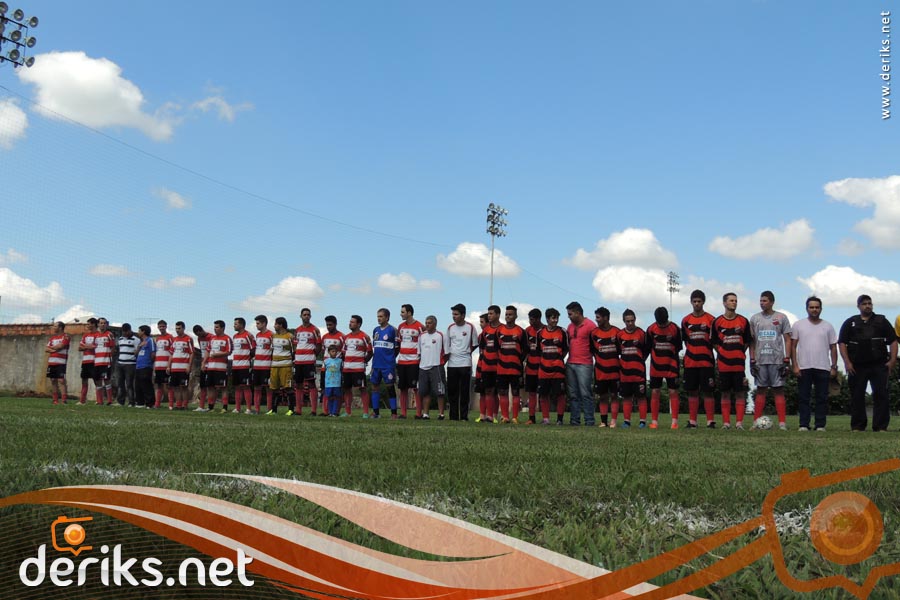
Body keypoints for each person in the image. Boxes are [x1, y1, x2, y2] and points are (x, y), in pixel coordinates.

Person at [839, 294, 898, 432]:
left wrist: (892, 361)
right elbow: (842, 342)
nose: (867, 306)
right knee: (857, 395)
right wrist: (847, 362)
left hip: (879, 365)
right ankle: (858, 426)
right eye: (864, 303)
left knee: (881, 395)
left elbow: (893, 341)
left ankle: (880, 426)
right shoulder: (850, 322)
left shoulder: (881, 321)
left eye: (869, 303)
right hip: (857, 366)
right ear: (858, 306)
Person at [791, 296, 838, 432]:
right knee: (803, 397)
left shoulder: (828, 326)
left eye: (817, 307)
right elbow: (793, 346)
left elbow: (833, 347)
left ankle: (820, 425)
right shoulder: (798, 325)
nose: (814, 309)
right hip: (804, 366)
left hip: (823, 366)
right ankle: (804, 424)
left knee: (821, 398)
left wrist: (833, 366)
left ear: (821, 309)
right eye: (811, 307)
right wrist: (795, 365)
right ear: (807, 309)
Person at [749, 291, 792, 430]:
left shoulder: (781, 317)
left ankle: (782, 423)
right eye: (761, 301)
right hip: (761, 360)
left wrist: (787, 359)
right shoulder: (755, 318)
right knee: (761, 390)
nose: (762, 303)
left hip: (777, 360)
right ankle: (756, 423)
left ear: (772, 302)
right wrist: (752, 359)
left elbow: (787, 339)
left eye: (765, 301)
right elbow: (752, 341)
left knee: (778, 390)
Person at [712, 293, 751, 429]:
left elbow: (747, 342)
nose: (734, 303)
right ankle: (726, 423)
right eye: (731, 300)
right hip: (723, 364)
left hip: (738, 364)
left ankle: (739, 423)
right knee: (725, 393)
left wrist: (739, 352)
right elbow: (715, 342)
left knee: (740, 392)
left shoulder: (743, 321)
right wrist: (723, 353)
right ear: (724, 303)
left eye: (735, 301)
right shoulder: (717, 322)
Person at [680, 290, 716, 429]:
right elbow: (685, 341)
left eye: (699, 301)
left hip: (706, 361)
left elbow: (714, 340)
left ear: (703, 302)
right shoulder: (685, 320)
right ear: (691, 302)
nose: (696, 304)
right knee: (692, 391)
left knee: (708, 391)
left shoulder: (711, 320)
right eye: (694, 301)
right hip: (690, 362)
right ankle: (693, 421)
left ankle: (710, 421)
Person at [646, 307, 682, 429]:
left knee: (673, 391)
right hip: (655, 366)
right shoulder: (651, 329)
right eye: (659, 323)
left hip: (671, 365)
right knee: (655, 391)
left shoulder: (675, 328)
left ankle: (675, 422)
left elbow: (678, 347)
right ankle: (654, 422)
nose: (661, 325)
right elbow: (648, 347)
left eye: (663, 322)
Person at [566, 301, 597, 426]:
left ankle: (589, 420)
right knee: (573, 394)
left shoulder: (590, 326)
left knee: (586, 393)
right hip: (571, 363)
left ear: (578, 313)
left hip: (585, 364)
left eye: (570, 314)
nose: (569, 316)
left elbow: (595, 345)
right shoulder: (569, 327)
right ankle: (575, 420)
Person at [616, 309, 648, 428]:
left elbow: (646, 351)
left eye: (632, 320)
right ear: (624, 321)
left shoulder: (641, 333)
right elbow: (619, 351)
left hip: (638, 371)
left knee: (641, 396)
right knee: (626, 397)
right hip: (625, 371)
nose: (630, 323)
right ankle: (627, 421)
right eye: (627, 321)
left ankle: (643, 421)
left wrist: (640, 361)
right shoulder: (620, 335)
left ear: (635, 319)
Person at [446, 303, 477, 421]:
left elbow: (474, 344)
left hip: (465, 363)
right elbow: (447, 345)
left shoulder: (470, 327)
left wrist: (465, 352)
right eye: (453, 314)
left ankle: (464, 416)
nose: (454, 316)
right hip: (452, 364)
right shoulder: (450, 328)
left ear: (463, 315)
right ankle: (453, 416)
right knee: (453, 391)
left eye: (456, 314)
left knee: (464, 392)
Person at [496, 305, 527, 423]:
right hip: (502, 368)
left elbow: (525, 350)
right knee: (502, 392)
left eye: (510, 314)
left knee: (515, 392)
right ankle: (505, 417)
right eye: (506, 314)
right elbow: (496, 348)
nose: (508, 316)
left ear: (516, 316)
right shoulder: (499, 330)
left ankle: (515, 417)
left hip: (515, 368)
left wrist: (518, 361)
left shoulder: (520, 331)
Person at [538, 308, 569, 425]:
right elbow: (538, 350)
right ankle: (545, 419)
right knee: (543, 394)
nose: (555, 320)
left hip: (558, 369)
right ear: (547, 319)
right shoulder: (540, 333)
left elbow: (566, 349)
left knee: (560, 394)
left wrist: (557, 359)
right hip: (543, 370)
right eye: (553, 318)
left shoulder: (562, 332)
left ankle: (559, 419)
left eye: (557, 318)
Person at [590, 307, 619, 428]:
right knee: (602, 396)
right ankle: (603, 421)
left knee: (614, 395)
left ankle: (613, 421)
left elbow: (621, 350)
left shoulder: (617, 332)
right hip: (600, 371)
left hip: (615, 371)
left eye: (598, 317)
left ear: (605, 318)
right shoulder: (593, 333)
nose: (596, 320)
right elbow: (592, 350)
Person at [292, 307, 322, 416]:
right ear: (301, 316)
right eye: (304, 314)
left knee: (311, 384)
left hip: (309, 361)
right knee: (298, 385)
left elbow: (319, 345)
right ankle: (298, 410)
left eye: (308, 314)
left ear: (310, 316)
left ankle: (313, 410)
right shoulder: (297, 330)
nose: (306, 316)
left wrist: (313, 355)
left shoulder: (315, 330)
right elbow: (295, 345)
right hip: (298, 361)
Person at [370, 308, 399, 418]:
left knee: (390, 387)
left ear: (387, 317)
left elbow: (396, 348)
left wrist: (390, 358)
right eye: (378, 316)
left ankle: (394, 413)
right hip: (376, 364)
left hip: (388, 365)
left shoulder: (393, 330)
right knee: (374, 387)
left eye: (381, 316)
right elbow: (376, 347)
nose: (379, 318)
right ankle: (376, 412)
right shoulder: (375, 330)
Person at [342, 314, 373, 417]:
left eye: (352, 322)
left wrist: (364, 362)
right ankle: (347, 412)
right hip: (347, 368)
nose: (350, 323)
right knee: (347, 389)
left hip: (358, 368)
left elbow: (370, 352)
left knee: (362, 389)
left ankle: (365, 413)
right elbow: (343, 353)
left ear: (358, 324)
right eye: (350, 322)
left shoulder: (365, 337)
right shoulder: (346, 337)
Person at [397, 304, 424, 419]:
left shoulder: (419, 326)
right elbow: (399, 343)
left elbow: (424, 343)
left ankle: (418, 413)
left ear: (409, 313)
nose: (401, 314)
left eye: (403, 312)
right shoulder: (400, 327)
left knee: (416, 388)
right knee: (403, 388)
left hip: (414, 362)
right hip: (402, 361)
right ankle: (403, 413)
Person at [417, 315, 446, 419]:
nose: (427, 325)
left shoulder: (440, 335)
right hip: (423, 367)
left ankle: (441, 414)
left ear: (435, 324)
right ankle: (425, 414)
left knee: (440, 392)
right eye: (426, 323)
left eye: (429, 323)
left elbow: (446, 352)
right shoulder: (421, 336)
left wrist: (440, 363)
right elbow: (419, 353)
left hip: (436, 367)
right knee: (425, 392)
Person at [205, 320, 233, 413]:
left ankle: (224, 407)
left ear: (222, 328)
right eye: (214, 327)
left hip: (221, 367)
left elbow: (229, 351)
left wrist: (217, 355)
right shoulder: (212, 338)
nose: (215, 329)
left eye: (217, 327)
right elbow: (208, 351)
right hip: (210, 367)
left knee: (223, 387)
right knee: (210, 387)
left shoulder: (227, 338)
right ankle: (210, 406)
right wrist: (203, 362)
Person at [268, 317, 294, 415]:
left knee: (288, 387)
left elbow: (293, 351)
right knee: (274, 388)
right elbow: (271, 350)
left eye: (275, 324)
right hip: (274, 365)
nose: (274, 326)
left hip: (286, 365)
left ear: (280, 325)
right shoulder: (273, 337)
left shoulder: (289, 336)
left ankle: (291, 410)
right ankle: (273, 410)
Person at [320, 315, 344, 415]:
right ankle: (326, 411)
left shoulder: (341, 336)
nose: (328, 327)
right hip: (326, 366)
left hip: (337, 368)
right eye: (327, 325)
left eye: (330, 325)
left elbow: (344, 351)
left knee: (337, 392)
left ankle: (336, 412)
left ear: (335, 324)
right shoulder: (324, 337)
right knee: (325, 390)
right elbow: (322, 351)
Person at [524, 308, 544, 425]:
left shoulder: (546, 330)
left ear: (538, 319)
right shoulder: (527, 331)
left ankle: (545, 418)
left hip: (543, 367)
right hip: (531, 367)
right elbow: (525, 349)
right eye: (529, 319)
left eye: (532, 319)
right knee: (531, 393)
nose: (530, 322)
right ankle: (531, 418)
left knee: (544, 394)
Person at [232, 317, 256, 413]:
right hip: (235, 365)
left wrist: (248, 360)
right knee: (237, 387)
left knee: (246, 386)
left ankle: (248, 409)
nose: (234, 325)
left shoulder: (248, 335)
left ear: (241, 325)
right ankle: (237, 408)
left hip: (245, 365)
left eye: (236, 324)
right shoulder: (234, 336)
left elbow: (253, 349)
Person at [168, 322, 194, 410]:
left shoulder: (188, 339)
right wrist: (168, 366)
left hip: (183, 367)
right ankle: (178, 404)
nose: (177, 330)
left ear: (183, 328)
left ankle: (185, 405)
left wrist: (189, 366)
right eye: (176, 328)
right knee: (176, 387)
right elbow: (171, 354)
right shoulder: (174, 339)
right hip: (174, 368)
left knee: (184, 387)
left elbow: (191, 353)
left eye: (179, 328)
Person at [251, 315, 273, 415]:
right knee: (256, 387)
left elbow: (273, 350)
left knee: (268, 387)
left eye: (258, 323)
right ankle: (257, 409)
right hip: (257, 366)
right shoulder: (258, 335)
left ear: (264, 323)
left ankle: (269, 409)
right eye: (256, 323)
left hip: (266, 366)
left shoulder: (271, 335)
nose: (256, 325)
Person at [45, 321, 70, 405]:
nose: (53, 328)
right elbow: (46, 349)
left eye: (55, 326)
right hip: (52, 362)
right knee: (53, 380)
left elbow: (61, 346)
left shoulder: (65, 336)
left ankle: (64, 400)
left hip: (61, 362)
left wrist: (52, 349)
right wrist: (54, 349)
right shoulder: (52, 338)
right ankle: (55, 400)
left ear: (60, 328)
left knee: (61, 380)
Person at [92, 317, 116, 405]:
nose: (103, 324)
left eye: (104, 323)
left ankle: (109, 400)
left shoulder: (109, 334)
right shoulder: (95, 335)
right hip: (96, 361)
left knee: (107, 380)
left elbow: (113, 347)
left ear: (107, 324)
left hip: (106, 361)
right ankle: (99, 401)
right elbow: (92, 347)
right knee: (97, 381)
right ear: (98, 324)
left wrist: (110, 357)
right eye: (101, 323)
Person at [115, 323, 140, 407]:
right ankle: (120, 401)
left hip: (130, 364)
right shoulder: (120, 339)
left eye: (126, 332)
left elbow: (137, 351)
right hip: (120, 363)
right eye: (123, 332)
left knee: (129, 384)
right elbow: (119, 349)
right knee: (120, 383)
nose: (124, 333)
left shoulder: (135, 339)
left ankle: (131, 402)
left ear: (129, 330)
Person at [154, 320, 174, 410]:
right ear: (158, 327)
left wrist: (169, 365)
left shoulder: (170, 337)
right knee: (159, 385)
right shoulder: (157, 339)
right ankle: (157, 404)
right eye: (160, 326)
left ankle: (170, 405)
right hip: (158, 365)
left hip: (166, 365)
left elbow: (173, 352)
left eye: (163, 326)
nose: (161, 328)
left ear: (166, 327)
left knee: (168, 385)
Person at [77, 317, 98, 405]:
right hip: (85, 361)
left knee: (96, 381)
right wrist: (88, 346)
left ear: (93, 324)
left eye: (89, 324)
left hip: (94, 361)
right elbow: (79, 347)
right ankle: (82, 400)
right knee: (84, 380)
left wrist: (86, 346)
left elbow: (95, 347)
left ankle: (99, 400)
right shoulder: (85, 335)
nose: (87, 326)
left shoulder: (98, 335)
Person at [193, 324, 214, 411]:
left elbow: (210, 351)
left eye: (199, 334)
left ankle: (210, 405)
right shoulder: (199, 338)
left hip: (211, 364)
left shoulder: (211, 337)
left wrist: (206, 361)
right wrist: (203, 362)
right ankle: (201, 406)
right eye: (197, 335)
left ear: (201, 330)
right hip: (203, 364)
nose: (199, 336)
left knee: (210, 386)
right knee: (202, 386)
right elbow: (202, 351)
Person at [135, 325, 156, 408]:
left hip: (146, 366)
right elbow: (135, 354)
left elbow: (153, 353)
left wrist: (149, 362)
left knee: (146, 385)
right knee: (138, 385)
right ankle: (140, 403)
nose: (138, 332)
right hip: (138, 366)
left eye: (139, 330)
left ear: (143, 331)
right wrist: (139, 347)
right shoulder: (140, 342)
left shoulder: (150, 340)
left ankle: (150, 403)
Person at [323, 344, 344, 417]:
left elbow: (341, 370)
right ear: (329, 352)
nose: (334, 353)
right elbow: (323, 371)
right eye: (332, 351)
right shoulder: (326, 361)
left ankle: (335, 412)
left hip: (337, 383)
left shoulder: (340, 361)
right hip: (328, 383)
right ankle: (330, 412)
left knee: (336, 397)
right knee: (329, 397)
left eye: (335, 351)